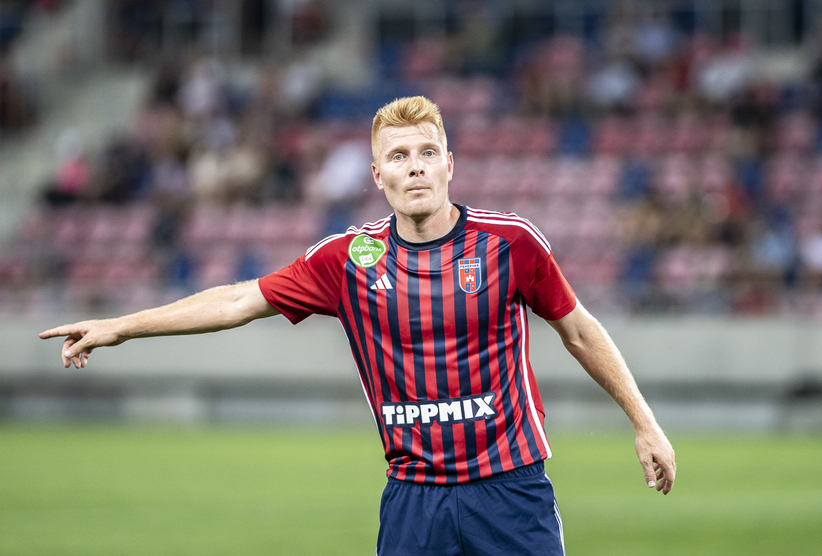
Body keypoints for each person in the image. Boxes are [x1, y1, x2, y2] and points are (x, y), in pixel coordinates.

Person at [40, 96, 675, 555]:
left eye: (428, 152)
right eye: (399, 156)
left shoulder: (510, 243)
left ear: (450, 164)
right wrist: (123, 326)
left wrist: (645, 423)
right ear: (378, 175)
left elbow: (580, 331)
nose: (415, 166)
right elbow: (238, 300)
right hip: (413, 498)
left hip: (511, 489)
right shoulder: (349, 259)